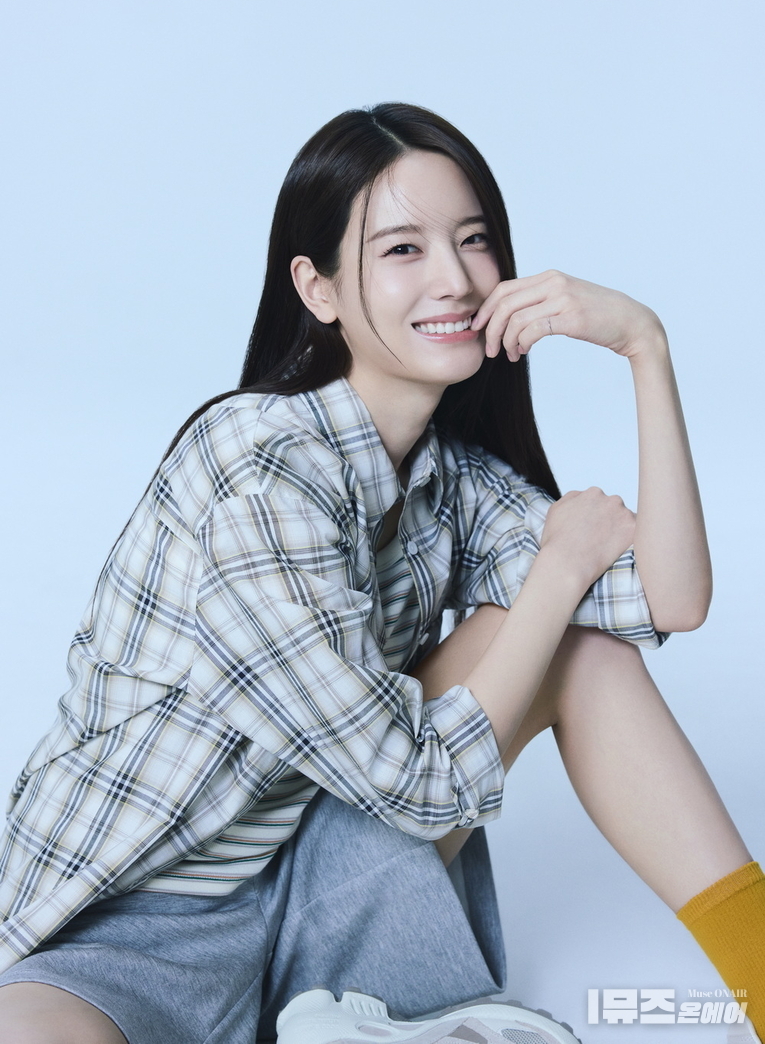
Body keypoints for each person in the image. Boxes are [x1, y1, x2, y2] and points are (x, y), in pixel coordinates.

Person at [0, 103, 761, 1044]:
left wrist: (645, 345)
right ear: (316, 289)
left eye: (473, 240)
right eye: (403, 249)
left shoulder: (450, 481)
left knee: (583, 647)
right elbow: (419, 783)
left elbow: (671, 598)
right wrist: (558, 567)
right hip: (133, 929)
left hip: (321, 893)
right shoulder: (258, 468)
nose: (456, 278)